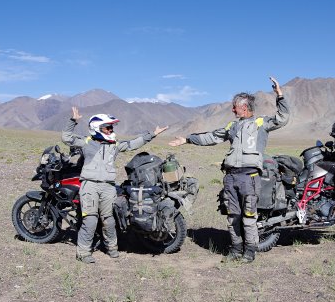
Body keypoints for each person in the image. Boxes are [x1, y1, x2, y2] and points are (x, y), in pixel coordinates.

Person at [169, 77, 290, 263]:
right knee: (233, 216)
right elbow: (212, 137)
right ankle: (235, 249)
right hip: (231, 177)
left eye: (235, 107)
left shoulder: (260, 123)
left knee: (249, 216)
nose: (232, 110)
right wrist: (187, 139)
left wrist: (279, 96)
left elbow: (282, 118)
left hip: (249, 177)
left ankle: (250, 251)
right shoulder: (231, 126)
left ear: (244, 107)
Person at [62, 106, 168, 264]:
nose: (111, 129)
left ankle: (111, 248)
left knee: (109, 220)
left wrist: (151, 134)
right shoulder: (86, 142)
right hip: (90, 186)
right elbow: (66, 137)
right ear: (97, 128)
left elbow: (133, 144)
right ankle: (83, 253)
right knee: (90, 220)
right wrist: (73, 121)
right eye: (108, 127)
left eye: (111, 127)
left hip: (108, 187)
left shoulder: (114, 145)